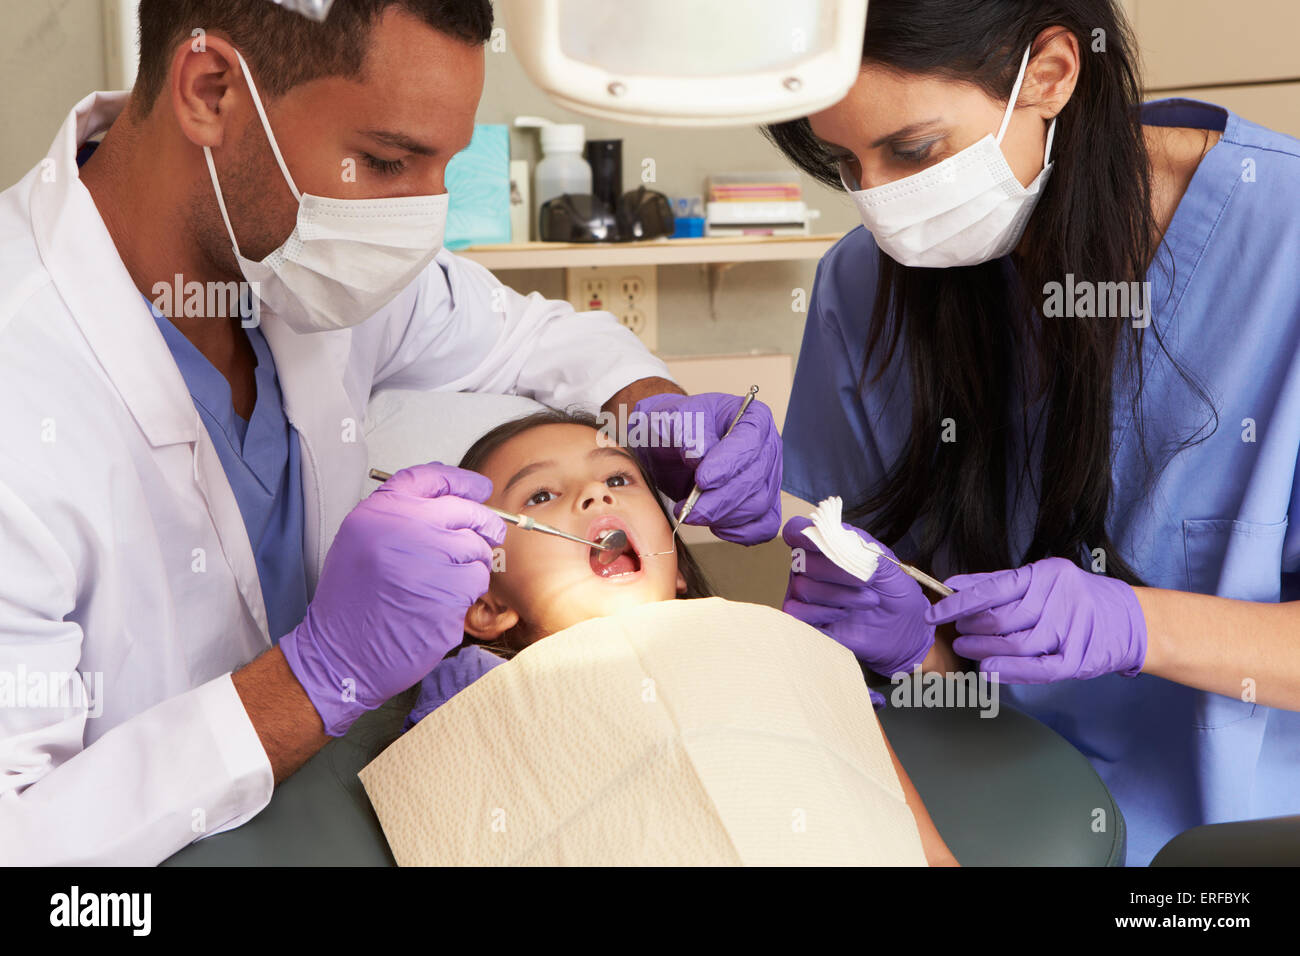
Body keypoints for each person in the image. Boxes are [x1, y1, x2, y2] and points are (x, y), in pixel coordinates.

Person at [0, 0, 780, 865]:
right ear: (211, 91)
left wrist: (650, 405)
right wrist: (315, 675)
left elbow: (531, 337)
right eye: (383, 160)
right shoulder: (23, 382)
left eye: (446, 166)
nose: (423, 222)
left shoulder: (302, 260)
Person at [768, 0, 1300, 865]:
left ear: (1050, 72)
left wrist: (1139, 625)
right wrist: (911, 646)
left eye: (912, 150)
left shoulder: (1282, 241)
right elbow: (887, 654)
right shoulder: (861, 289)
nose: (880, 200)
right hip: (984, 820)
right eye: (843, 163)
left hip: (1235, 855)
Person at [398, 408, 957, 866]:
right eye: (540, 496)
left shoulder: (779, 651)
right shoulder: (474, 691)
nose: (595, 494)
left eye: (618, 478)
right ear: (486, 606)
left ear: (678, 566)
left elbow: (920, 847)